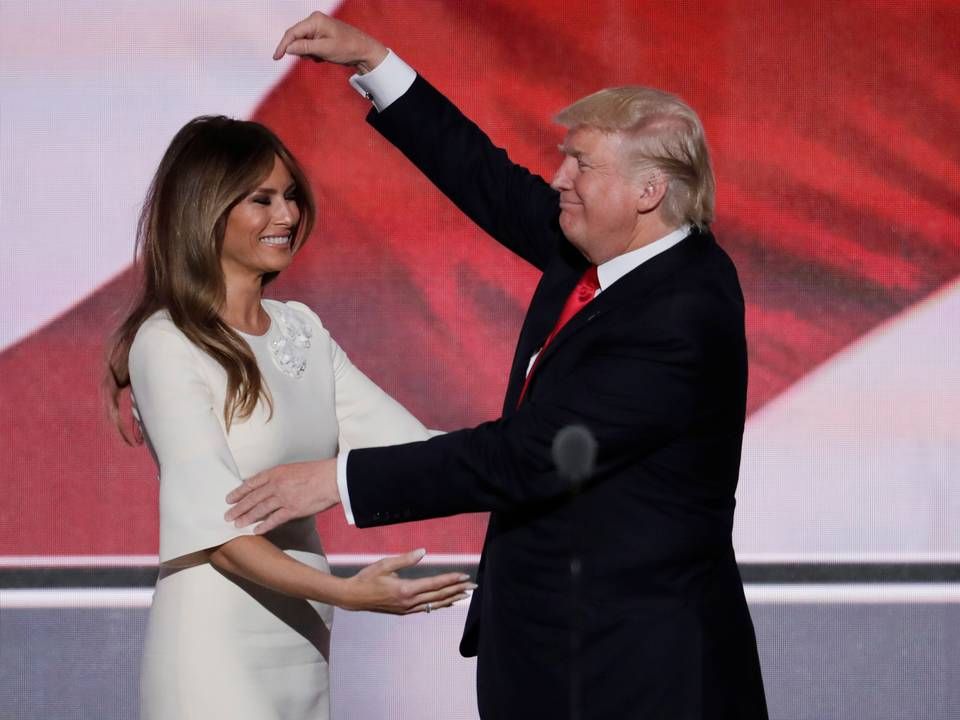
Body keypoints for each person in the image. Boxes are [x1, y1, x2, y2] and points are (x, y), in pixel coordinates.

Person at [227, 11, 769, 719]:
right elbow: (485, 177)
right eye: (563, 155)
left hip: (637, 673)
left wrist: (335, 480)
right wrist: (375, 61)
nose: (559, 177)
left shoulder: (681, 308)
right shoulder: (604, 248)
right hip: (556, 657)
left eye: (582, 165)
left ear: (649, 192)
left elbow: (528, 457)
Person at [105, 115, 474, 719]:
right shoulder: (166, 341)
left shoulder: (303, 329)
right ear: (206, 208)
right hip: (212, 648)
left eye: (292, 196)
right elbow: (216, 531)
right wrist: (347, 593)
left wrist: (529, 452)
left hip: (301, 640)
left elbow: (414, 450)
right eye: (262, 199)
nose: (287, 216)